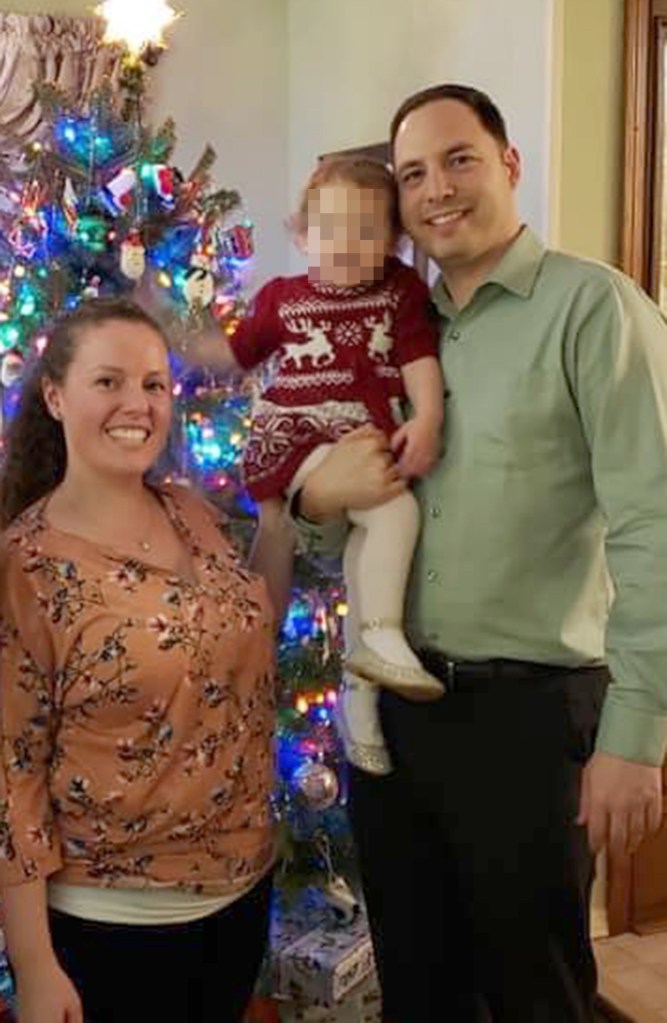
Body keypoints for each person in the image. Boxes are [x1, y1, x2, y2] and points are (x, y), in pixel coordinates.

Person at [292, 84, 667, 1022]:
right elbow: (335, 505)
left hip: (529, 723)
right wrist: (314, 501)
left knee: (535, 994)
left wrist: (634, 736)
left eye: (458, 158)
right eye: (412, 173)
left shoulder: (594, 309)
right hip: (398, 717)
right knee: (417, 986)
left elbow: (653, 522)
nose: (436, 189)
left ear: (507, 164)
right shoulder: (385, 327)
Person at [0, 299, 285, 1023]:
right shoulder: (25, 568)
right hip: (113, 921)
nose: (139, 403)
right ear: (55, 395)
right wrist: (33, 963)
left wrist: (283, 519)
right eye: (110, 381)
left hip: (241, 891)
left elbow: (251, 624)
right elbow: (11, 776)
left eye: (155, 384)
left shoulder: (190, 510)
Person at [187, 156, 445, 775]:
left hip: (358, 435)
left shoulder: (401, 291)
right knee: (395, 510)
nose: (346, 244)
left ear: (394, 241)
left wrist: (429, 417)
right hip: (296, 436)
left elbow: (417, 358)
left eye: (366, 230)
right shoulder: (281, 298)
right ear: (302, 235)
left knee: (368, 545)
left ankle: (361, 693)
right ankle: (378, 633)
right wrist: (177, 333)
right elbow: (234, 355)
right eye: (329, 229)